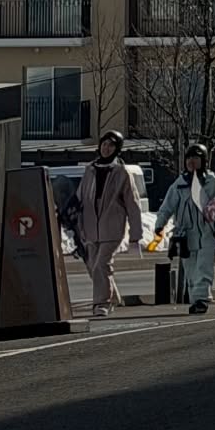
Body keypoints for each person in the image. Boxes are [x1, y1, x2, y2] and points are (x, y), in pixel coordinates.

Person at [149, 142, 215, 315]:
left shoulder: (212, 183)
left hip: (208, 233)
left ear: (203, 160)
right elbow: (167, 207)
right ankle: (196, 299)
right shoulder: (179, 184)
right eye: (189, 158)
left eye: (196, 158)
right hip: (186, 235)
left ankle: (201, 300)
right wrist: (160, 224)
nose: (192, 162)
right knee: (191, 270)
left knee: (203, 267)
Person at [77, 130, 144, 319]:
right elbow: (81, 198)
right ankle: (113, 297)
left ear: (118, 149)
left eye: (111, 145)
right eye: (104, 144)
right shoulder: (90, 169)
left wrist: (135, 234)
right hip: (91, 227)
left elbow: (133, 204)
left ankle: (101, 303)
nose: (106, 148)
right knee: (93, 266)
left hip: (112, 226)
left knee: (101, 265)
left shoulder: (121, 172)